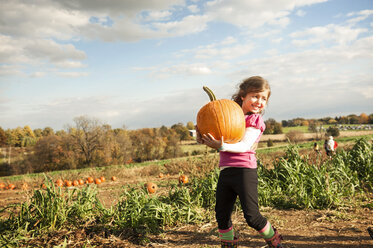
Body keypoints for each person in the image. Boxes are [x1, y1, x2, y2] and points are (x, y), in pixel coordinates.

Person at [196, 76, 284, 248]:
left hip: (245, 171)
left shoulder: (254, 120)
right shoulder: (228, 114)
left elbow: (244, 146)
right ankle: (228, 244)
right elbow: (217, 139)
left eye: (264, 98)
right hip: (226, 171)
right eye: (255, 96)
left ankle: (274, 239)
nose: (259, 101)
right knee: (221, 215)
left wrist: (220, 145)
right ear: (243, 95)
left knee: (252, 217)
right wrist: (202, 138)